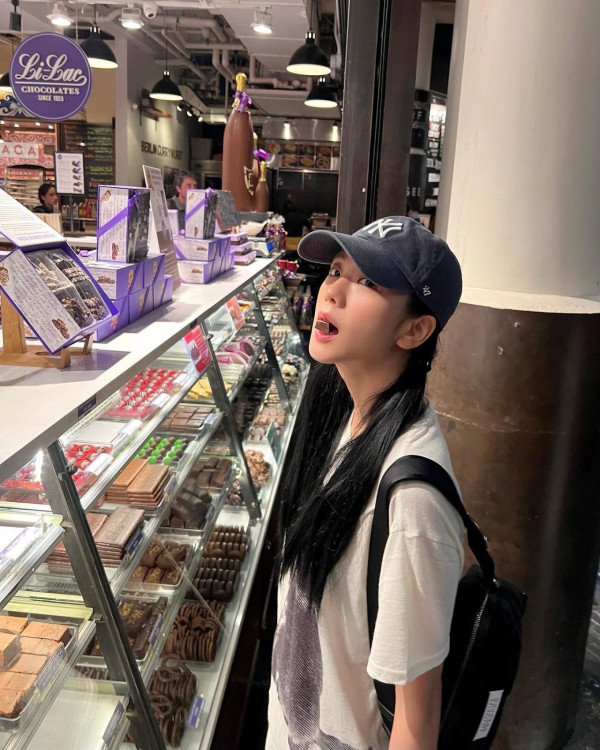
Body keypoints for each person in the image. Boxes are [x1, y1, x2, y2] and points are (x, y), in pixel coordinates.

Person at [267, 217, 465, 750]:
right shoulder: (342, 413)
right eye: (335, 270)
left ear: (414, 331)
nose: (332, 291)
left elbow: (416, 722)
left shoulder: (413, 501)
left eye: (368, 282)